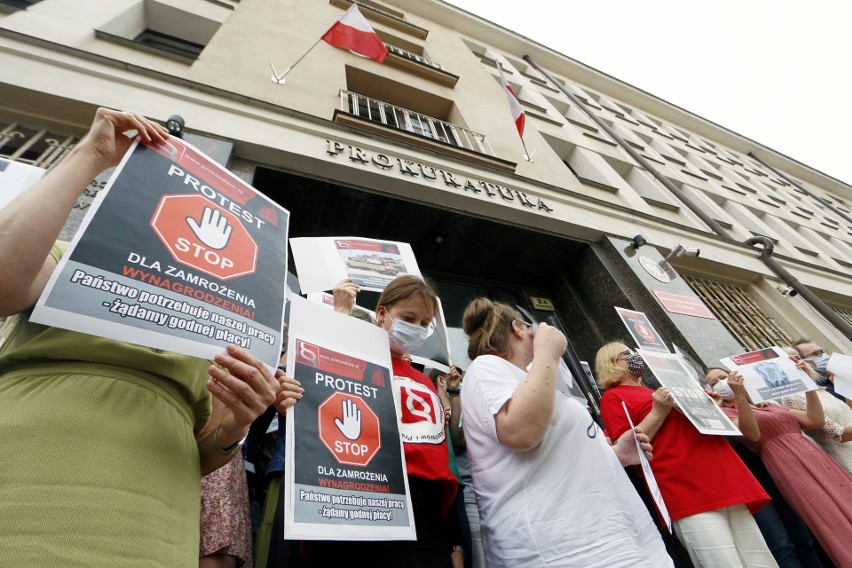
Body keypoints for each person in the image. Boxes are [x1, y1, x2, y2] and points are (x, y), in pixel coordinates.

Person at [0, 108, 298, 566]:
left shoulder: (218, 328)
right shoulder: (64, 259)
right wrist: (91, 154)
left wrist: (240, 421)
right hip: (21, 475)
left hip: (157, 521)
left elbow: (204, 453)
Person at [461, 300, 672, 568]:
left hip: (617, 540)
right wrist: (546, 355)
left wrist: (615, 455)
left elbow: (556, 455)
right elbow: (522, 432)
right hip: (565, 549)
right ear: (518, 328)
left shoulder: (533, 378)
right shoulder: (487, 367)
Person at [302, 275, 459, 567]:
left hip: (425, 513)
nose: (416, 328)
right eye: (408, 317)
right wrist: (340, 314)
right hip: (367, 496)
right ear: (383, 314)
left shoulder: (424, 381)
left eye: (425, 323)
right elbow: (316, 377)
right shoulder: (356, 357)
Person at [596, 342, 775, 568]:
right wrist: (658, 412)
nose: (634, 357)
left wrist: (709, 407)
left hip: (721, 480)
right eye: (626, 355)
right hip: (685, 488)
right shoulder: (613, 397)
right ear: (612, 363)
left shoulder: (654, 391)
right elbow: (630, 449)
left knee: (760, 560)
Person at [717, 368, 852, 567]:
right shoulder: (726, 413)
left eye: (723, 376)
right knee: (827, 513)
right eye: (714, 382)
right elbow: (752, 435)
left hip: (813, 454)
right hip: (785, 463)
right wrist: (739, 396)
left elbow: (815, 420)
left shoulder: (769, 404)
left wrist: (807, 385)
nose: (722, 382)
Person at [780, 347, 852, 474]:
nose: (797, 361)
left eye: (797, 357)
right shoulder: (792, 398)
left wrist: (846, 387)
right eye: (789, 359)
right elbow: (840, 434)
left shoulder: (820, 389)